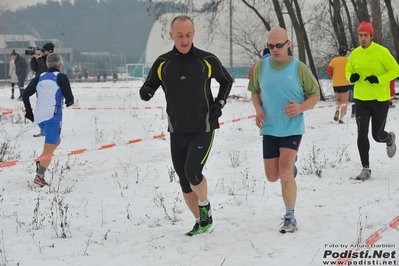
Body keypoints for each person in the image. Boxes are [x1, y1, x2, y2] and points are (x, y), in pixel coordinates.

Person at [139, 15, 233, 236]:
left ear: (193, 34)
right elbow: (149, 86)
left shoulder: (206, 60)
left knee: (193, 172)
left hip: (203, 128)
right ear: (171, 35)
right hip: (177, 130)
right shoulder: (163, 63)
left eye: (188, 35)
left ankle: (204, 206)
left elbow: (226, 81)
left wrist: (219, 103)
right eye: (179, 35)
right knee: (183, 181)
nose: (184, 39)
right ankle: (201, 222)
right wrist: (146, 92)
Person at [247, 27, 320, 233]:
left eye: (279, 45)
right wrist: (258, 109)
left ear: (288, 44)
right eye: (270, 46)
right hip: (270, 128)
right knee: (272, 176)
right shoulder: (261, 67)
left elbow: (315, 95)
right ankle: (290, 166)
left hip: (291, 127)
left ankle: (290, 216)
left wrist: (300, 107)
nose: (275, 49)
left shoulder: (299, 68)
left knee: (285, 171)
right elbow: (254, 91)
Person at [345, 21, 399, 181]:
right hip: (361, 99)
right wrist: (351, 77)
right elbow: (348, 70)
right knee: (362, 133)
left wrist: (379, 79)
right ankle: (365, 168)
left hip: (379, 100)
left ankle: (389, 138)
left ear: (371, 36)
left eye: (365, 36)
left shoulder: (381, 52)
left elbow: (396, 69)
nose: (362, 39)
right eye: (360, 35)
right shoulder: (355, 54)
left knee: (377, 135)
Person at [22, 53, 74, 187]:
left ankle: (41, 161)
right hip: (53, 116)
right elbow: (69, 97)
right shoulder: (61, 77)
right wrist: (69, 101)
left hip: (39, 117)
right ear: (60, 65)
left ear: (47, 65)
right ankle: (40, 176)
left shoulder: (39, 77)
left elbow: (25, 94)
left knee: (56, 140)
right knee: (49, 146)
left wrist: (28, 110)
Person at [30, 42, 55, 137]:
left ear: (50, 51)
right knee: (40, 108)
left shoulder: (52, 59)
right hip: (39, 85)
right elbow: (34, 68)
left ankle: (48, 129)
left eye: (44, 51)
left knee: (46, 108)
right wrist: (34, 58)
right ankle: (43, 129)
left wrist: (39, 59)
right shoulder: (42, 58)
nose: (43, 52)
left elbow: (45, 69)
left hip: (48, 86)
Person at [326, 46, 350, 124]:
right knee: (345, 101)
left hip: (336, 83)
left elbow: (329, 69)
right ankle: (341, 118)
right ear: (346, 53)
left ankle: (337, 110)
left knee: (338, 100)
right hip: (345, 82)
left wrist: (332, 76)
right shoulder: (348, 60)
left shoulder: (334, 60)